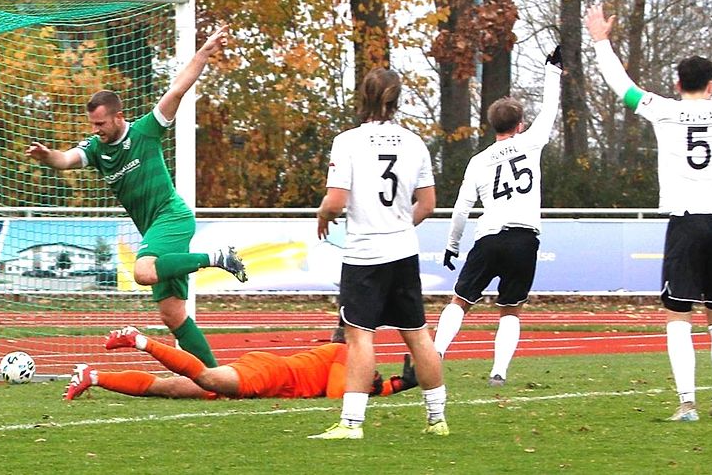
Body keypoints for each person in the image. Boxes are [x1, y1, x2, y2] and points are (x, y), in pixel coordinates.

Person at [585, 0, 712, 421]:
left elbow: (621, 87)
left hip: (685, 223)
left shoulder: (662, 109)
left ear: (676, 84)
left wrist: (601, 41)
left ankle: (688, 403)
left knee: (677, 315)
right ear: (710, 84)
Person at [26, 25, 246, 369]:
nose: (95, 130)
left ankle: (217, 257)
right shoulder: (95, 149)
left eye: (100, 124)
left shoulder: (146, 130)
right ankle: (214, 378)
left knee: (143, 272)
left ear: (118, 116)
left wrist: (204, 51)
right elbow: (65, 160)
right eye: (92, 124)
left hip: (171, 216)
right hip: (152, 228)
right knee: (172, 315)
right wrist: (47, 155)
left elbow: (177, 89)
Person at [310, 67, 447, 440]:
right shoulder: (415, 142)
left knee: (360, 336)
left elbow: (336, 201)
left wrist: (322, 216)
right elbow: (428, 204)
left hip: (365, 254)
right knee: (418, 335)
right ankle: (437, 419)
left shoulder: (348, 141)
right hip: (403, 251)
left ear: (363, 97)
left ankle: (352, 423)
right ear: (397, 99)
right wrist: (399, 226)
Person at [433, 47, 563, 387]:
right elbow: (550, 110)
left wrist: (451, 245)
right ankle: (498, 372)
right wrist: (552, 71)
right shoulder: (531, 142)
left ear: (493, 126)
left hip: (489, 236)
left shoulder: (479, 161)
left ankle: (436, 355)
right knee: (510, 309)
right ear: (520, 125)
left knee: (460, 300)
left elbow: (462, 207)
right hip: (524, 238)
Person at [63, 326, 419, 401]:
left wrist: (394, 385)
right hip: (269, 375)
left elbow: (345, 385)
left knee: (169, 388)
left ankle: (93, 376)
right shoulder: (343, 353)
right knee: (205, 376)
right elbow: (337, 394)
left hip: (267, 369)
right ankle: (140, 340)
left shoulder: (337, 353)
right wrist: (377, 389)